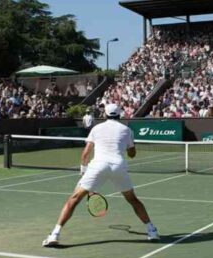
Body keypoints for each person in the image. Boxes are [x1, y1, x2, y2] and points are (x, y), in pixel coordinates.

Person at [42, 103, 159, 247]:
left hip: (98, 166)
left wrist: (83, 170)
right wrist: (129, 148)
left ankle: (55, 234)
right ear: (119, 114)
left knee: (74, 199)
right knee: (133, 200)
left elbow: (85, 153)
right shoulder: (127, 130)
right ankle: (152, 230)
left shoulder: (96, 128)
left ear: (105, 114)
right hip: (118, 166)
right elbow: (132, 154)